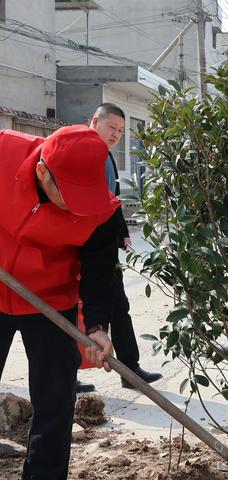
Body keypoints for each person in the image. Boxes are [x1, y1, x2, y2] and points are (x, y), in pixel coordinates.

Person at [0, 125, 118, 480]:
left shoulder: (102, 207)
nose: (77, 208)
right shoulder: (4, 153)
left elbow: (100, 270)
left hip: (50, 299)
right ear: (41, 172)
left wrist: (97, 327)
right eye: (69, 196)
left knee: (54, 404)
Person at [88, 102, 162, 389]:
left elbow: (111, 199)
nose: (116, 134)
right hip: (87, 245)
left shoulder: (105, 153)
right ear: (95, 121)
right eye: (112, 127)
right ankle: (67, 376)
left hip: (104, 244)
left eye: (120, 130)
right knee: (72, 310)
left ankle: (130, 369)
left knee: (120, 306)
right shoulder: (84, 152)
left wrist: (120, 232)